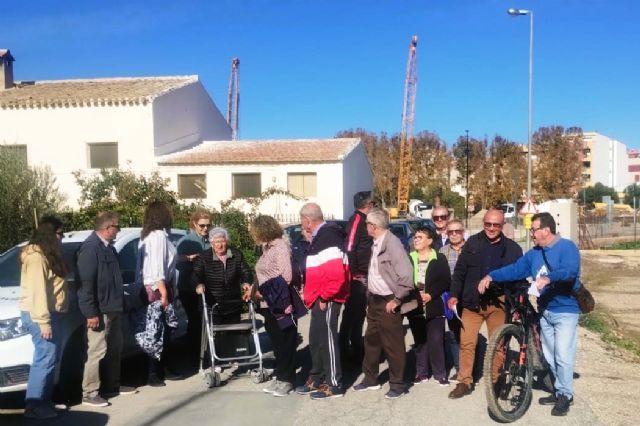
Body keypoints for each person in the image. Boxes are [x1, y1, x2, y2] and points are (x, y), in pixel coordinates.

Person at [478, 212, 582, 416]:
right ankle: (558, 389)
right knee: (549, 356)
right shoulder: (534, 253)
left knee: (563, 355)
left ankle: (565, 395)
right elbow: (515, 269)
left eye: (534, 230)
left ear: (546, 230)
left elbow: (570, 271)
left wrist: (548, 278)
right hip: (546, 311)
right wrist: (492, 276)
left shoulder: (567, 247)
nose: (531, 234)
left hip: (565, 311)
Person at [447, 208, 523, 399]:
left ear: (502, 225)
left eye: (495, 225)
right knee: (467, 343)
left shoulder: (514, 249)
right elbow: (460, 272)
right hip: (472, 303)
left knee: (498, 344)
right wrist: (454, 295)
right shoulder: (473, 243)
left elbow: (519, 280)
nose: (490, 228)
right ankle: (465, 381)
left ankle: (496, 381)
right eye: (487, 224)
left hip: (499, 304)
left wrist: (516, 306)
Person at [352, 208, 413, 399]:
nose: (365, 227)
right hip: (375, 300)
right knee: (371, 340)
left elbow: (407, 276)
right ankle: (370, 379)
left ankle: (397, 384)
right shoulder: (376, 242)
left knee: (392, 344)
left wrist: (397, 299)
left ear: (373, 226)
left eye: (367, 224)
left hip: (389, 301)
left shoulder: (392, 244)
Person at [78, 212, 137, 407]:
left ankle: (112, 385)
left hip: (113, 307)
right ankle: (90, 391)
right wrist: (91, 313)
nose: (118, 231)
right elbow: (86, 285)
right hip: (100, 310)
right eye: (117, 227)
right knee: (96, 351)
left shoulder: (108, 248)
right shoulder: (90, 249)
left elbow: (114, 279)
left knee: (114, 347)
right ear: (107, 228)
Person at [295, 203, 350, 400]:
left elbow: (336, 273)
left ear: (308, 220)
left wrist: (326, 295)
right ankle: (317, 377)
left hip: (327, 297)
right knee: (316, 338)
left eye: (302, 220)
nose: (302, 224)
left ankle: (334, 383)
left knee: (327, 339)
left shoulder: (328, 236)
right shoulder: (319, 237)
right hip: (319, 296)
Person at [19, 216, 68, 419]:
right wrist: (43, 322)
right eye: (59, 234)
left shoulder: (45, 255)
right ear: (50, 234)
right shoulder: (36, 257)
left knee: (49, 358)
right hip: (40, 315)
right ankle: (35, 405)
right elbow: (37, 291)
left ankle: (44, 402)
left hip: (48, 313)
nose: (61, 238)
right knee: (44, 358)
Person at [251, 215, 303, 397]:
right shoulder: (267, 247)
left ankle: (288, 379)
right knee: (276, 342)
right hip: (268, 304)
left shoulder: (280, 247)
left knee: (285, 341)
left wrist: (264, 292)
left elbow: (286, 276)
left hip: (281, 303)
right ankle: (281, 377)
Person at [136, 201, 179, 387]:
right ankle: (154, 373)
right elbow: (157, 267)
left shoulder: (145, 235)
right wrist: (164, 292)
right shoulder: (159, 236)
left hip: (147, 287)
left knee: (155, 330)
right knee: (159, 332)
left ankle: (162, 369)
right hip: (157, 287)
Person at [409, 226, 451, 386]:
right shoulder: (409, 257)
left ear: (430, 241)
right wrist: (415, 295)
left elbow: (445, 280)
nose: (416, 239)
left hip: (434, 305)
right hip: (415, 305)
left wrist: (430, 295)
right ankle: (421, 373)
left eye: (420, 237)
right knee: (420, 342)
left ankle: (440, 374)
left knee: (436, 341)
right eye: (415, 237)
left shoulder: (439, 258)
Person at [339, 190, 374, 365]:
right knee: (351, 316)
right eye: (373, 204)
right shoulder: (357, 220)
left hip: (364, 275)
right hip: (356, 277)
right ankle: (344, 353)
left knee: (359, 314)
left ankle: (358, 348)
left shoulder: (365, 220)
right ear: (368, 205)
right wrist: (354, 274)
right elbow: (350, 247)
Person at [176, 209, 211, 365]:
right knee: (196, 321)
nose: (205, 229)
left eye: (208, 225)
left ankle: (207, 353)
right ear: (194, 224)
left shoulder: (210, 239)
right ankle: (196, 356)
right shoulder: (186, 241)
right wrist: (190, 259)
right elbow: (176, 263)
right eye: (202, 226)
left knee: (207, 320)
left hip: (207, 286)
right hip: (189, 288)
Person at [439, 219, 466, 381]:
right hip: (450, 298)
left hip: (468, 296)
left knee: (469, 333)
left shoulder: (471, 249)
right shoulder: (442, 251)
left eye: (458, 231)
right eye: (451, 232)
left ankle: (472, 367)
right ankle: (459, 367)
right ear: (446, 233)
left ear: (463, 232)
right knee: (454, 333)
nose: (454, 234)